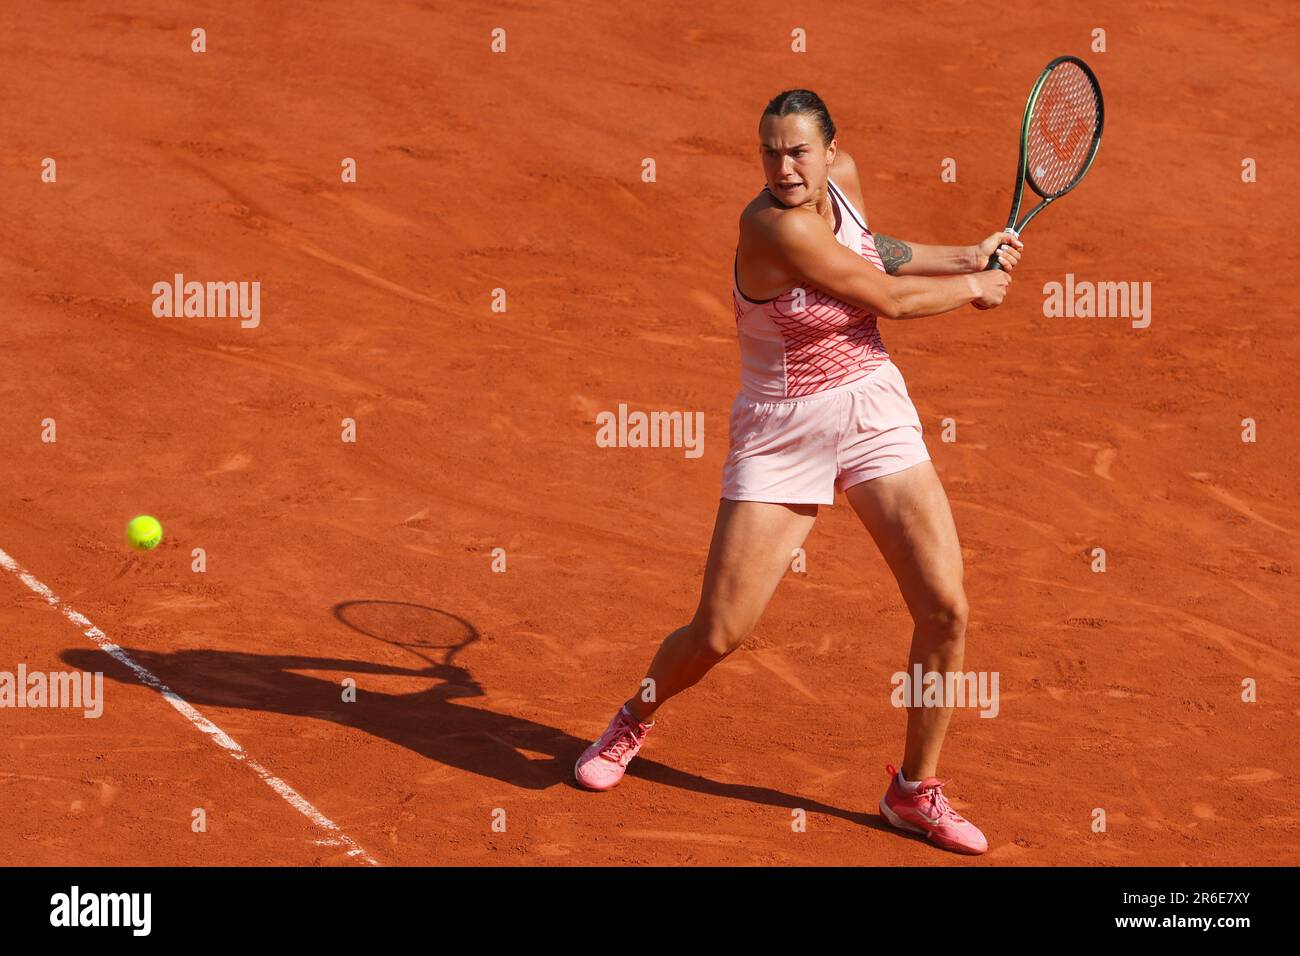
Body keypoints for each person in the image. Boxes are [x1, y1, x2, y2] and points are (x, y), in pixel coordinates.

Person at [575, 89, 1023, 855]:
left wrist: (966, 254)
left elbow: (874, 252)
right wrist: (973, 288)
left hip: (872, 408)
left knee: (945, 608)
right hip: (782, 429)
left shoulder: (842, 177)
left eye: (798, 151)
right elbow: (883, 296)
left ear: (829, 150)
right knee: (719, 633)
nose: (783, 167)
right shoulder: (768, 227)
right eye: (770, 152)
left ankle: (914, 792)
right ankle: (634, 718)